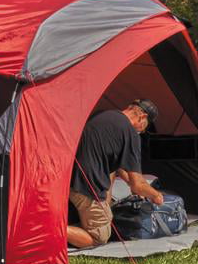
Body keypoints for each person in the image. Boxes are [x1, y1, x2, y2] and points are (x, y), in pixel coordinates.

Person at [67, 100, 163, 249]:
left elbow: (117, 168)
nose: (143, 131)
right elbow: (138, 185)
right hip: (86, 187)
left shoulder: (103, 115)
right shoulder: (131, 134)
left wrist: (129, 182)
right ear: (142, 117)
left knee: (107, 213)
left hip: (66, 179)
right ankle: (49, 229)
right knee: (99, 237)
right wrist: (156, 195)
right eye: (146, 127)